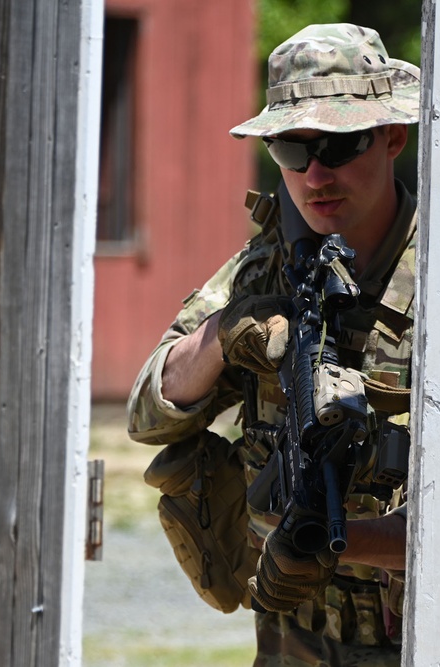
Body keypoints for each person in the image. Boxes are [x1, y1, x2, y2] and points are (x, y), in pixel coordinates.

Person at [127, 23, 420, 666]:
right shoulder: (265, 272)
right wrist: (226, 336)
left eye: (340, 145)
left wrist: (334, 542)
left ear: (393, 137)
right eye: (293, 150)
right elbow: (147, 415)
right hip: (290, 645)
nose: (316, 174)